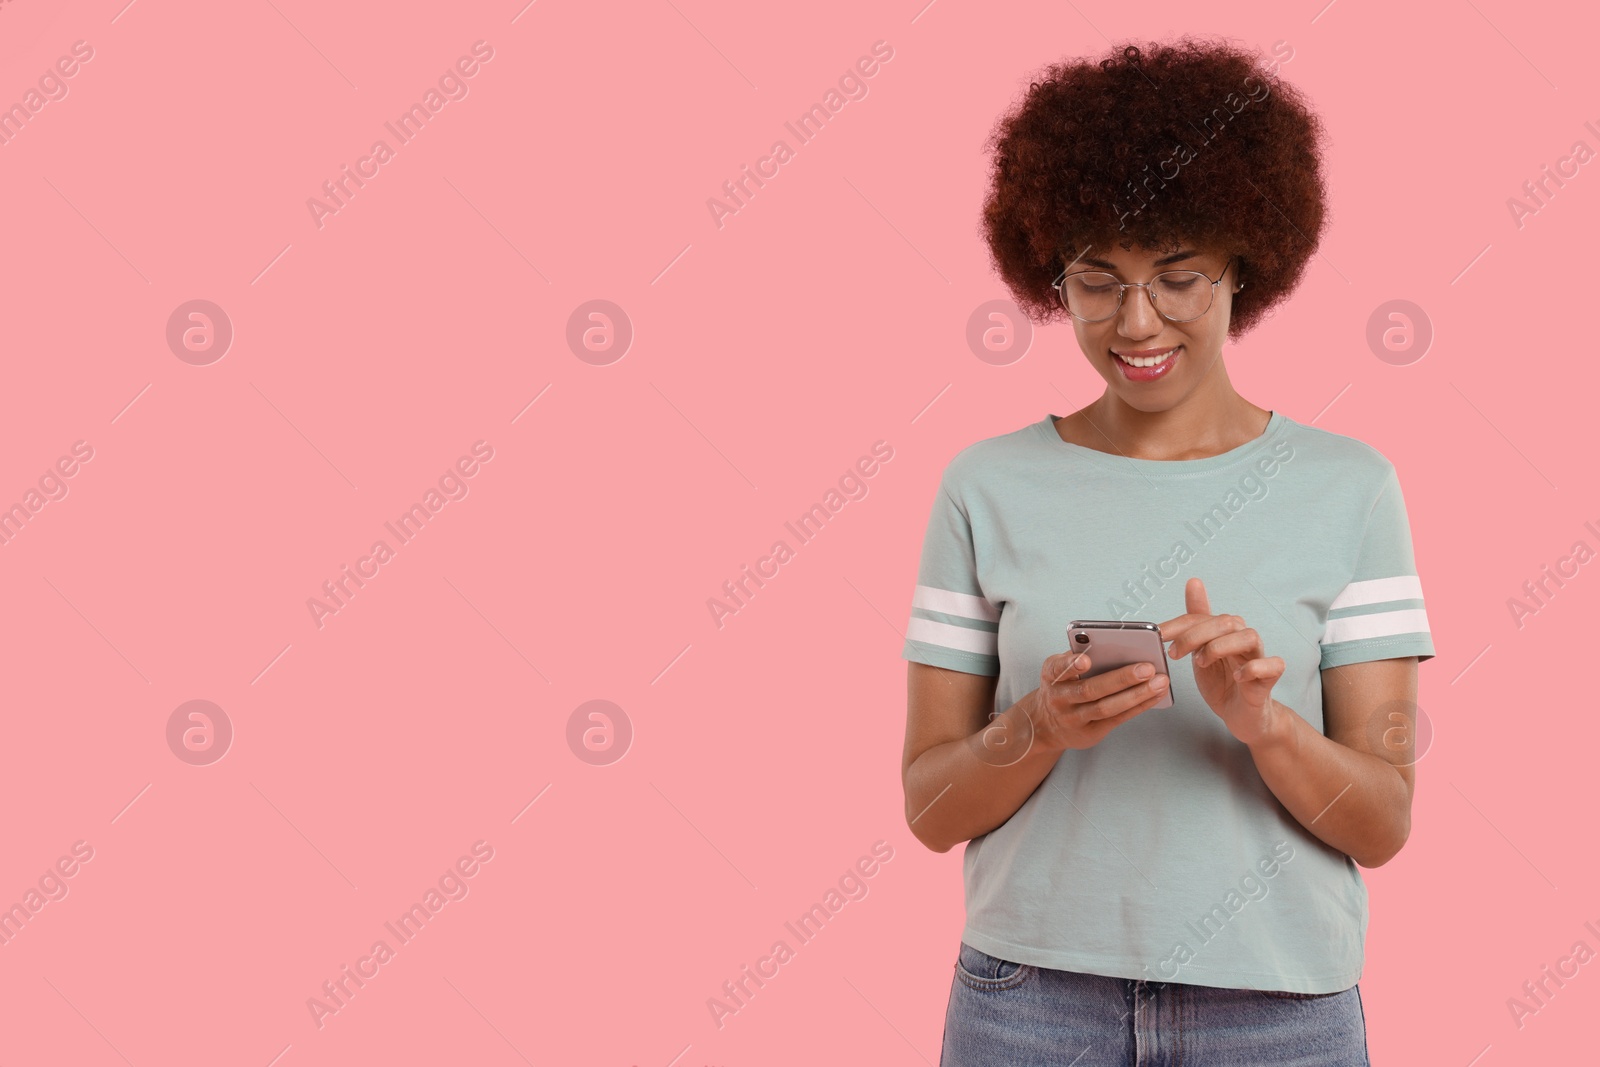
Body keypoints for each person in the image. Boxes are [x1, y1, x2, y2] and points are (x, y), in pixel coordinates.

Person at [899, 37, 1436, 1066]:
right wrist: (1040, 723)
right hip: (1029, 1003)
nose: (1135, 322)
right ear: (1051, 276)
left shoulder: (1350, 487)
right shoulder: (984, 485)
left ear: (1245, 265)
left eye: (1177, 278)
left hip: (1278, 1011)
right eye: (1097, 282)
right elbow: (929, 807)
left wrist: (1262, 723)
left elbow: (1380, 821)